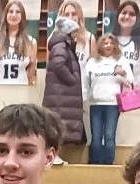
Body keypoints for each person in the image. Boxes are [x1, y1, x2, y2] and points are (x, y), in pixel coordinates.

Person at [84, 35, 137, 166]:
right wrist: (84, 100)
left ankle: (108, 164)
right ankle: (94, 164)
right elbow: (85, 83)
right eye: (105, 43)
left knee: (109, 136)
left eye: (111, 43)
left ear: (115, 45)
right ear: (100, 45)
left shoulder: (121, 60)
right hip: (95, 104)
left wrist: (123, 73)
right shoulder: (92, 62)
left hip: (113, 104)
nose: (108, 45)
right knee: (96, 136)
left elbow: (130, 81)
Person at [42, 15, 86, 166]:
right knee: (57, 127)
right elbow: (59, 65)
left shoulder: (61, 45)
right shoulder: (61, 46)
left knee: (57, 127)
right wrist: (73, 79)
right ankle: (53, 157)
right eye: (74, 32)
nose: (75, 36)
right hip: (60, 96)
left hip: (60, 95)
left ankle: (54, 156)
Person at [0, 0, 37, 86]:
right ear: (5, 15)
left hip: (21, 91)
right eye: (10, 11)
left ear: (22, 16)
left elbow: (31, 74)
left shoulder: (31, 42)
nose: (14, 15)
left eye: (18, 12)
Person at [107, 0, 140, 75]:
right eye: (124, 13)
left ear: (137, 18)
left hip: (137, 85)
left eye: (132, 14)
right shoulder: (109, 38)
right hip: (114, 85)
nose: (127, 17)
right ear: (118, 16)